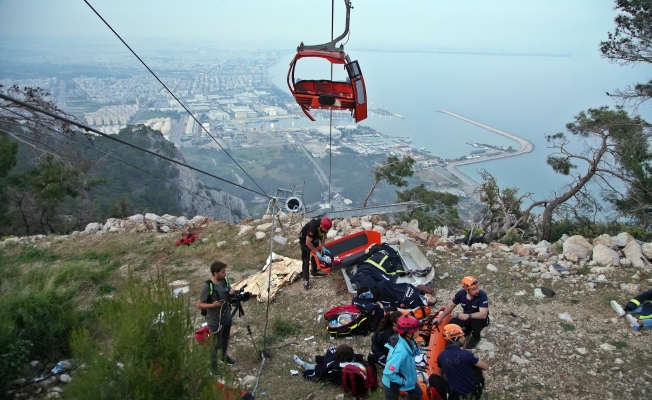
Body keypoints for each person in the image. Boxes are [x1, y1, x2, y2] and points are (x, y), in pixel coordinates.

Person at [196, 260, 236, 369]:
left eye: (225, 271)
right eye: (222, 272)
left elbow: (228, 289)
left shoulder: (225, 280)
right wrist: (212, 306)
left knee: (225, 339)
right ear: (215, 273)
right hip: (215, 320)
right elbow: (199, 304)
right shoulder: (207, 286)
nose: (225, 274)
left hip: (227, 316)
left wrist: (231, 292)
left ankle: (224, 356)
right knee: (215, 344)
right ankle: (213, 365)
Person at [436, 324, 489, 400]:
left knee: (434, 378)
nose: (464, 338)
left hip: (454, 396)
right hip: (471, 394)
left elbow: (440, 375)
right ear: (456, 338)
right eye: (462, 336)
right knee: (476, 367)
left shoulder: (441, 356)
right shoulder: (467, 354)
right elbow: (485, 367)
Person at [434, 276, 489, 349]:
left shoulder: (482, 295)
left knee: (477, 322)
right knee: (452, 323)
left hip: (478, 317)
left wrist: (468, 315)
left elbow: (483, 314)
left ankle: (476, 338)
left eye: (477, 288)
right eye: (474, 289)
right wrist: (440, 318)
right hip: (467, 316)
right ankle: (464, 332)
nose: (477, 290)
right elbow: (451, 306)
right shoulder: (461, 294)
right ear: (466, 290)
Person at [382, 315, 422, 400]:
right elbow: (388, 372)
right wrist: (403, 382)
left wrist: (415, 351)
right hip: (393, 383)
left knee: (417, 394)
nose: (419, 331)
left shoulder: (407, 340)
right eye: (417, 330)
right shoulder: (401, 352)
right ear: (409, 333)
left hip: (407, 376)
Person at [298, 216, 332, 290]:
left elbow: (323, 235)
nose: (326, 230)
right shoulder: (313, 227)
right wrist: (316, 251)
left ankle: (314, 272)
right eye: (325, 229)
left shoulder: (324, 227)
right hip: (305, 240)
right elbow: (308, 242)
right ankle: (306, 279)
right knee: (306, 260)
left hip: (315, 238)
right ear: (321, 225)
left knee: (315, 256)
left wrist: (323, 246)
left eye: (327, 229)